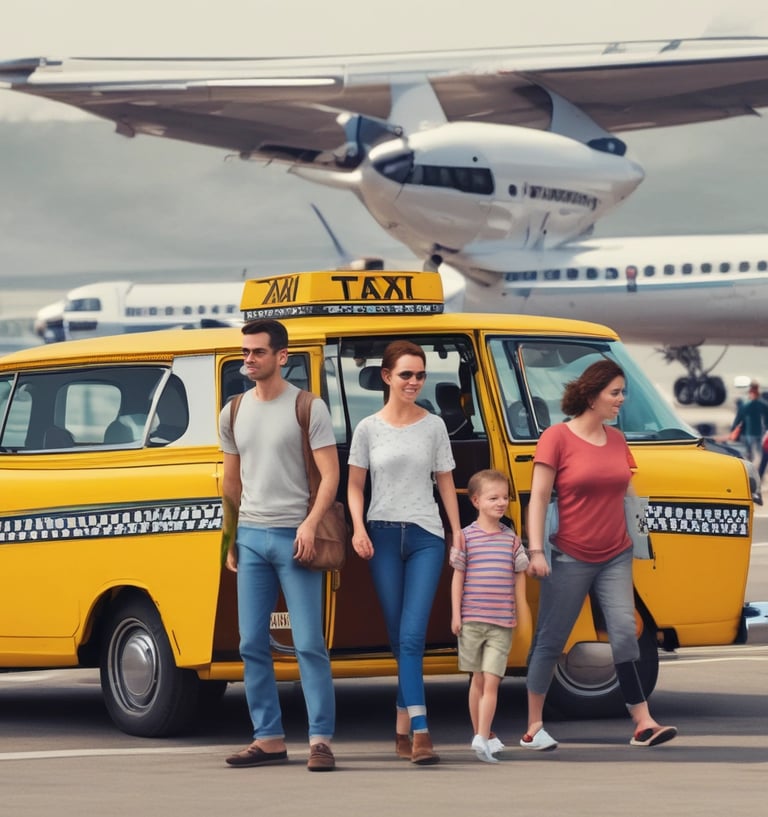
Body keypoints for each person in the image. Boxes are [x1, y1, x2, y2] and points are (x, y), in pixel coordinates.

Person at [524, 359, 677, 750]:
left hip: (615, 554)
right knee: (551, 639)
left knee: (625, 634)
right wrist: (536, 549)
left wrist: (640, 538)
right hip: (569, 555)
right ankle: (533, 726)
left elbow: (627, 492)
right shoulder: (556, 438)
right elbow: (539, 497)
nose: (621, 399)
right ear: (592, 396)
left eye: (623, 392)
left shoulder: (617, 440)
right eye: (615, 393)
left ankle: (642, 722)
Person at [219, 318, 339, 772]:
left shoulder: (308, 407)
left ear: (281, 356)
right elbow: (231, 481)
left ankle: (320, 740)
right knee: (251, 642)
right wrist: (229, 539)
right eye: (245, 352)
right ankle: (267, 737)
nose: (248, 359)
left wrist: (309, 525)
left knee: (309, 643)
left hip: (296, 539)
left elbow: (330, 474)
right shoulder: (232, 410)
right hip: (250, 538)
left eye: (258, 352)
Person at [347, 339, 464, 765]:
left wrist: (456, 531)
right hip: (380, 535)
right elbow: (355, 485)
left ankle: (420, 731)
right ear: (386, 377)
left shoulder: (433, 426)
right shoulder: (368, 428)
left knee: (412, 637)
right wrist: (358, 528)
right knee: (401, 642)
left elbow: (446, 481)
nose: (414, 382)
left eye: (420, 375)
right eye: (406, 375)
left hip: (426, 536)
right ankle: (401, 729)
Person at [450, 469, 529, 763]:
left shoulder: (511, 540)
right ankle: (482, 733)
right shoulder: (465, 538)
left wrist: (520, 610)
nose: (501, 503)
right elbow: (457, 578)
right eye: (493, 498)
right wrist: (456, 615)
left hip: (501, 623)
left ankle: (481, 738)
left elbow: (520, 574)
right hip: (471, 620)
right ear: (475, 501)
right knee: (478, 681)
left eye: (505, 497)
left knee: (492, 681)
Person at [730, 382, 768, 463]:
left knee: (750, 451)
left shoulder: (746, 405)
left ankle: (752, 462)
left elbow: (739, 418)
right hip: (758, 432)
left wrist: (733, 428)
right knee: (759, 451)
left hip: (750, 432)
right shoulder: (761, 404)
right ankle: (756, 463)